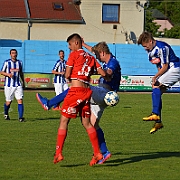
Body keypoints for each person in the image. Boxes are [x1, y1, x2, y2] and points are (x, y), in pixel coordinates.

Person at [36, 40, 121, 164]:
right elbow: (93, 52)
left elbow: (108, 72)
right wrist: (84, 44)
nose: (97, 57)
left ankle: (49, 103)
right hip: (102, 97)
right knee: (93, 125)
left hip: (103, 92)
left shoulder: (112, 62)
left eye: (98, 56)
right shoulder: (104, 58)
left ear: (102, 53)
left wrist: (95, 71)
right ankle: (104, 152)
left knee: (76, 88)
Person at [53, 33, 109, 166]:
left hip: (75, 91)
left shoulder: (73, 55)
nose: (69, 48)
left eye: (70, 45)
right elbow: (103, 73)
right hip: (86, 92)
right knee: (87, 123)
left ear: (76, 43)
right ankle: (97, 152)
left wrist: (69, 77)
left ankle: (58, 153)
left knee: (63, 121)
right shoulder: (90, 57)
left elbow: (67, 74)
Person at [137, 31, 180, 134]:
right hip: (170, 70)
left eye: (146, 46)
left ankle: (155, 113)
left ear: (151, 41)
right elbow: (160, 66)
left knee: (155, 86)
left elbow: (165, 66)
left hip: (176, 68)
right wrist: (158, 77)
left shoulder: (162, 47)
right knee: (157, 91)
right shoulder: (150, 52)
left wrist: (156, 77)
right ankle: (158, 122)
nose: (145, 48)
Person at [0, 49, 25, 122]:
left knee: (20, 100)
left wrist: (23, 82)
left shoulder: (20, 62)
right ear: (10, 54)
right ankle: (6, 113)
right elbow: (1, 71)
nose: (14, 54)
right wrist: (8, 74)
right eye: (13, 53)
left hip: (18, 85)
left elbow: (21, 73)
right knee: (8, 102)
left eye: (15, 53)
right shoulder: (7, 62)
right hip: (9, 86)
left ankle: (21, 117)